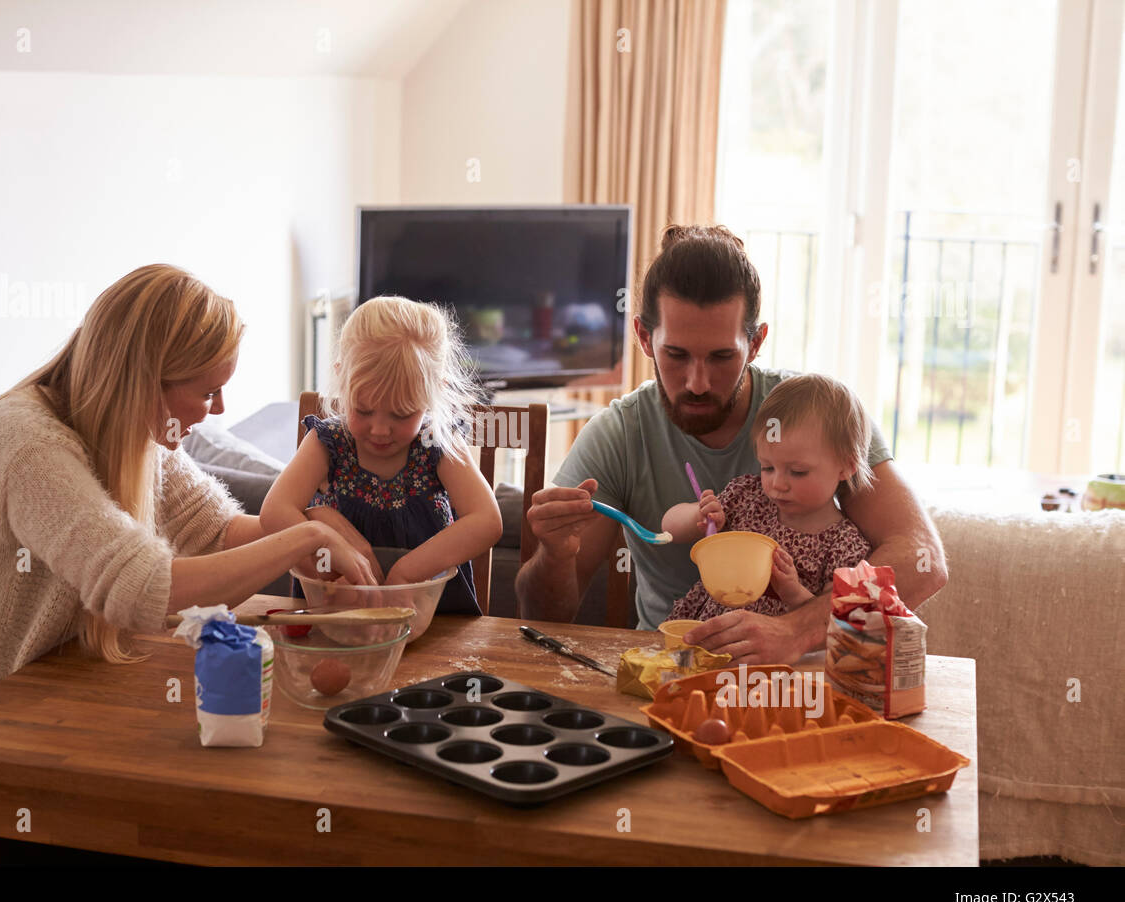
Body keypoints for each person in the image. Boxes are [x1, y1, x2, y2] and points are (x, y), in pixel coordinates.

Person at [0, 264, 374, 865]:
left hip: (40, 730)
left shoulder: (129, 427)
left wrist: (309, 522)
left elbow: (213, 530)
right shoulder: (26, 446)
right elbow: (142, 588)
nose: (218, 408)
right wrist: (299, 542)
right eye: (207, 390)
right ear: (145, 380)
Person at [514, 224, 947, 664]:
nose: (697, 383)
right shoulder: (619, 434)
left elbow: (923, 560)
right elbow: (542, 617)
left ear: (755, 342)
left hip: (798, 675)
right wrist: (554, 555)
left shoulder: (817, 414)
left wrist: (794, 632)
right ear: (645, 338)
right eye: (676, 355)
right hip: (668, 671)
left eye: (722, 357)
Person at [261, 296, 502, 615]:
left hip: (432, 612)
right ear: (341, 380)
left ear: (434, 393)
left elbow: (487, 521)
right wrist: (328, 559)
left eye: (401, 414)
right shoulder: (328, 440)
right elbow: (274, 512)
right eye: (363, 410)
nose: (379, 430)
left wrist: (406, 572)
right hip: (338, 609)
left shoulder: (437, 439)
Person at [663, 373, 873, 622]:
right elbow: (668, 528)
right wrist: (699, 515)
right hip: (707, 636)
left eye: (797, 471)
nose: (776, 484)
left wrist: (793, 592)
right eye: (767, 467)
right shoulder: (746, 497)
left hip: (776, 657)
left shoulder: (844, 545)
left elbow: (836, 623)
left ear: (847, 467)